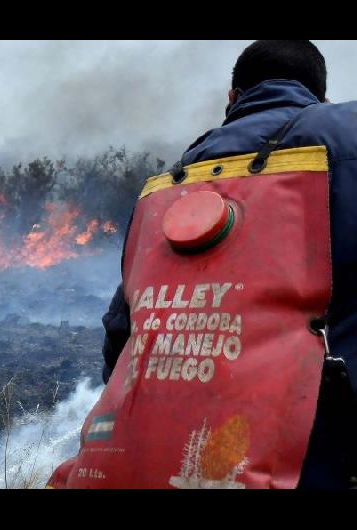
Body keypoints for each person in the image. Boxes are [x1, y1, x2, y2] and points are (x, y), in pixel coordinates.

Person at [52, 40, 357, 489]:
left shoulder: (168, 183)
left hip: (200, 462)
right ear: (322, 97)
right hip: (324, 453)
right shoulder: (347, 134)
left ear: (232, 99)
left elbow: (125, 334)